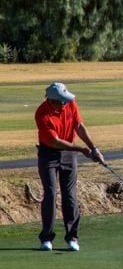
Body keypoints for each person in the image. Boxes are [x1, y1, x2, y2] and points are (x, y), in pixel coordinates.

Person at [34, 82, 105, 251]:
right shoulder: (42, 113)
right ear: (52, 101)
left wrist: (94, 148)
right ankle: (47, 238)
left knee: (70, 195)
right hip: (48, 154)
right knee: (50, 194)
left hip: (68, 154)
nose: (65, 103)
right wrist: (81, 149)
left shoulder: (70, 103)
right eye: (62, 101)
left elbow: (79, 127)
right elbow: (55, 141)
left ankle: (72, 238)